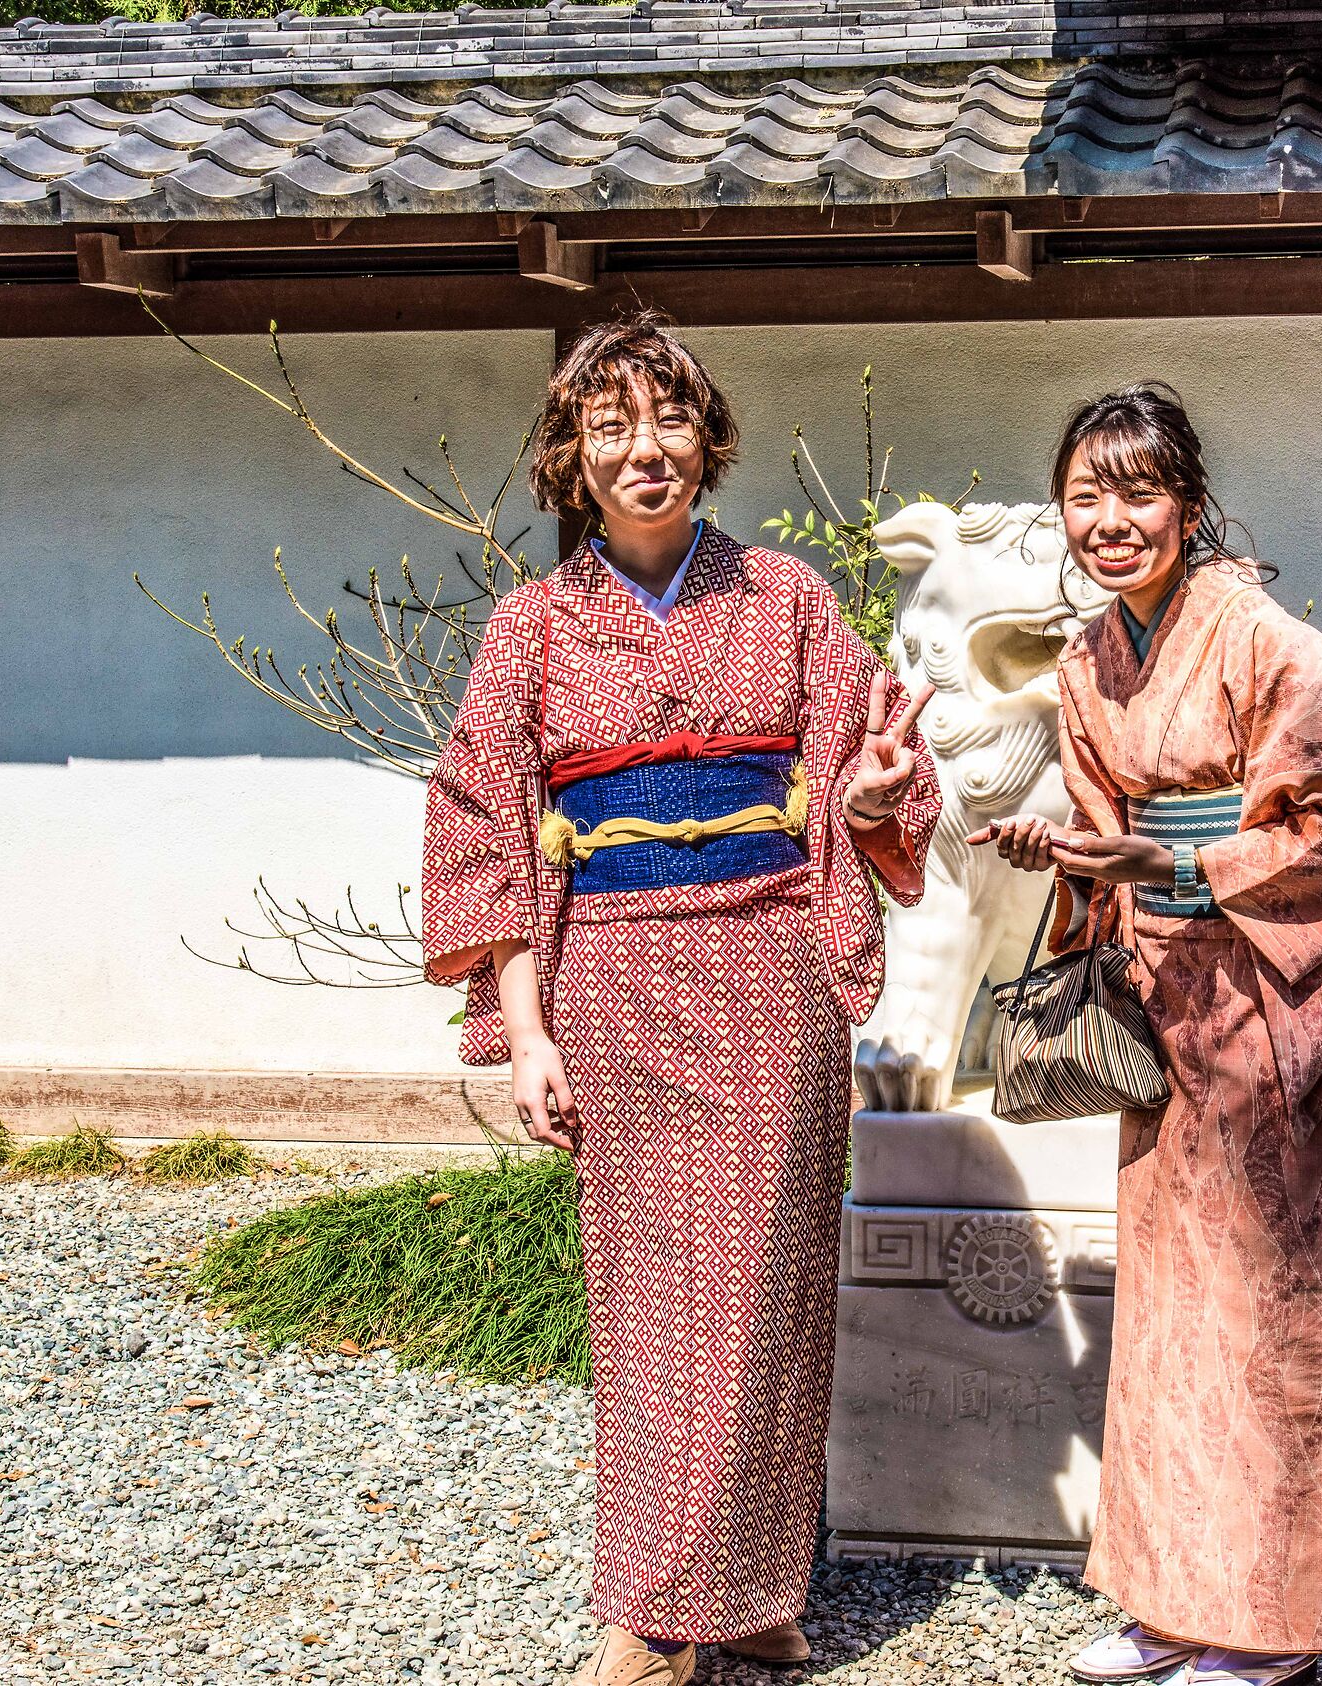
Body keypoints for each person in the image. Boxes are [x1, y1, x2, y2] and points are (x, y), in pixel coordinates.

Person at [420, 311, 940, 1686]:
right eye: (612, 428)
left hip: (770, 971)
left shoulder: (788, 600)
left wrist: (874, 795)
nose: (644, 449)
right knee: (651, 1307)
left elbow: (866, 780)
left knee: (771, 1294)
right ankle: (648, 1615)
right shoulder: (531, 628)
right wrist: (526, 1032)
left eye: (669, 422)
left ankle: (753, 1592)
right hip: (614, 982)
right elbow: (485, 826)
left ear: (709, 443)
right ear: (572, 458)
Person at [971, 385, 1322, 1686]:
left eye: (1139, 494)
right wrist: (1067, 853)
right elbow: (1106, 834)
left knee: (1271, 1312)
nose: (1111, 522)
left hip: (1271, 999)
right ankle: (1170, 1599)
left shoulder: (1268, 642)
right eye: (1085, 498)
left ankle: (1276, 1621)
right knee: (1169, 1315)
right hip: (1165, 1004)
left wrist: (1171, 858)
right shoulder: (1089, 661)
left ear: (1191, 505)